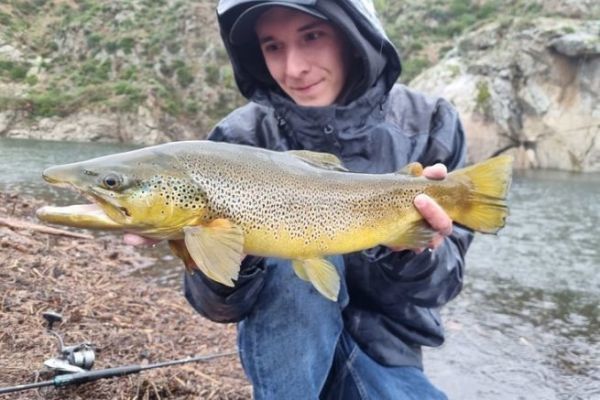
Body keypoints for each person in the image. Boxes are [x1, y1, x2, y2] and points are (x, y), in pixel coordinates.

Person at [126, 1, 473, 398]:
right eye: (272, 46)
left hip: (388, 354)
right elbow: (216, 308)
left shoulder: (431, 123)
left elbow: (442, 287)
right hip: (285, 357)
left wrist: (411, 251)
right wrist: (226, 256)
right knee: (289, 268)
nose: (293, 68)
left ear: (351, 32)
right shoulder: (239, 139)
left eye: (312, 36)